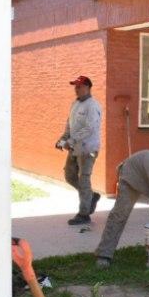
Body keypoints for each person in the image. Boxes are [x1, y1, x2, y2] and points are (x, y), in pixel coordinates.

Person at [57, 75, 103, 226]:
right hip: (74, 148)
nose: (76, 89)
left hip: (88, 149)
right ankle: (90, 196)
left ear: (88, 88)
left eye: (79, 86)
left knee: (84, 180)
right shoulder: (75, 103)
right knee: (69, 175)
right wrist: (64, 138)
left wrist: (72, 140)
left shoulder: (93, 105)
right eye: (75, 86)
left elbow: (91, 128)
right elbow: (69, 123)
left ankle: (84, 214)